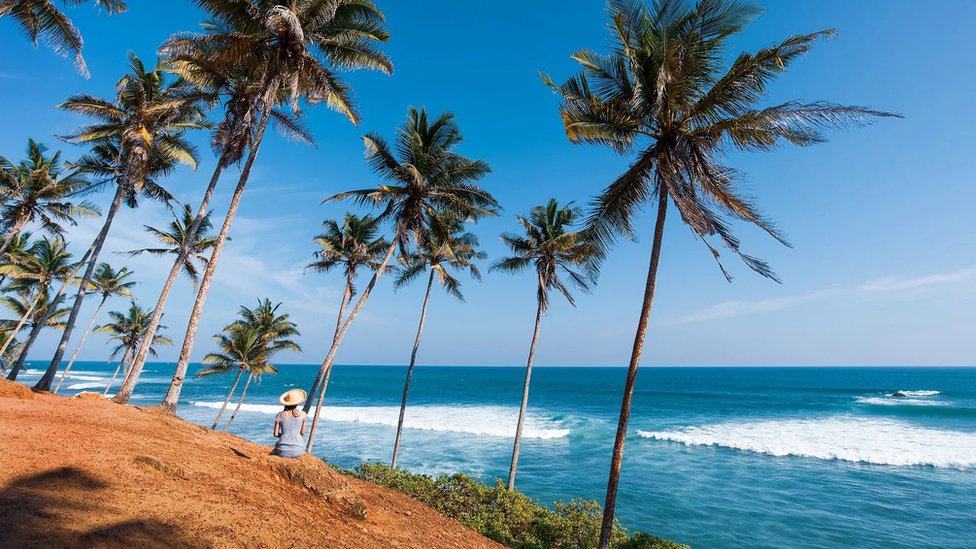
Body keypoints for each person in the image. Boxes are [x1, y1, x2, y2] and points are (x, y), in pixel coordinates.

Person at [272, 389, 308, 458]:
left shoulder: (280, 415)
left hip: (282, 450)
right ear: (297, 403)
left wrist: (284, 436)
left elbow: (275, 434)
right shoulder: (303, 415)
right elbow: (302, 433)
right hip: (299, 448)